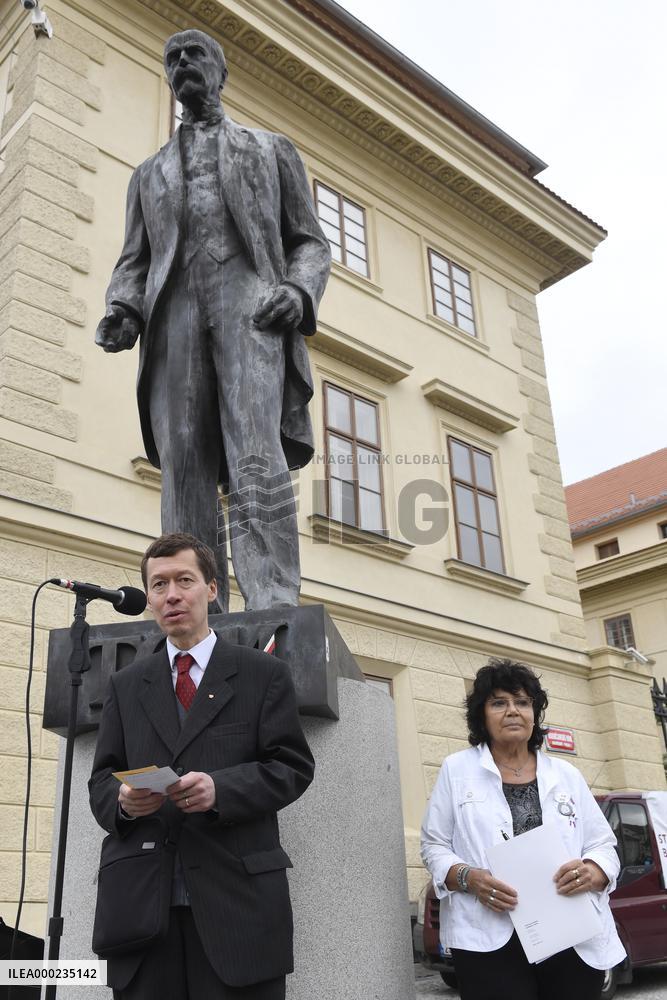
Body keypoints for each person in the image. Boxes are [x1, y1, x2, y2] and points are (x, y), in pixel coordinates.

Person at [95, 29, 331, 613]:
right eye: (171, 58)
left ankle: (273, 597)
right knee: (183, 460)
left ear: (220, 72)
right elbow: (135, 259)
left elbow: (311, 244)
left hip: (250, 309)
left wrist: (299, 292)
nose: (181, 64)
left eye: (194, 54)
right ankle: (194, 602)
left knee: (254, 448)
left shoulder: (271, 149)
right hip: (172, 315)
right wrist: (123, 308)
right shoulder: (147, 175)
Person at [89, 532, 315, 1000]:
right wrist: (126, 803)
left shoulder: (262, 673)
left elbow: (292, 767)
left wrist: (221, 789)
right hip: (144, 911)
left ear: (211, 589)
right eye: (158, 585)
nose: (171, 594)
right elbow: (101, 781)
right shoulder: (126, 686)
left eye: (184, 580)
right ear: (149, 598)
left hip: (238, 907)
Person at [420, 658, 625, 1000]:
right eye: (499, 702)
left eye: (523, 702)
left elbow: (603, 844)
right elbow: (434, 846)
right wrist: (469, 877)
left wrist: (595, 871)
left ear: (534, 713)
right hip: (489, 935)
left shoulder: (566, 774)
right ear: (481, 716)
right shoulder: (457, 770)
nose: (512, 711)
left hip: (568, 928)